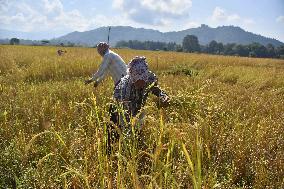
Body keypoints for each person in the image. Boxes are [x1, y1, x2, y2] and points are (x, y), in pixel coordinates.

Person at [107, 56, 170, 154]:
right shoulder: (124, 90)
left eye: (143, 81)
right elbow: (126, 120)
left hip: (137, 106)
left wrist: (163, 96)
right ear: (133, 78)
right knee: (114, 138)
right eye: (138, 81)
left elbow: (155, 89)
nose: (141, 84)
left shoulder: (148, 78)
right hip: (119, 109)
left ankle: (134, 151)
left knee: (137, 132)